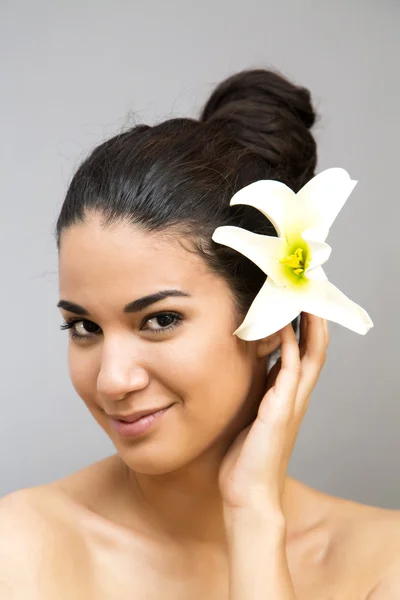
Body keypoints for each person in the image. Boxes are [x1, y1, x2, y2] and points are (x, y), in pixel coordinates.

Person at [0, 69, 399, 599]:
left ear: (271, 319)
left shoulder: (382, 563)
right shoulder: (20, 548)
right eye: (84, 327)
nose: (113, 381)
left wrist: (253, 514)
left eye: (160, 320)